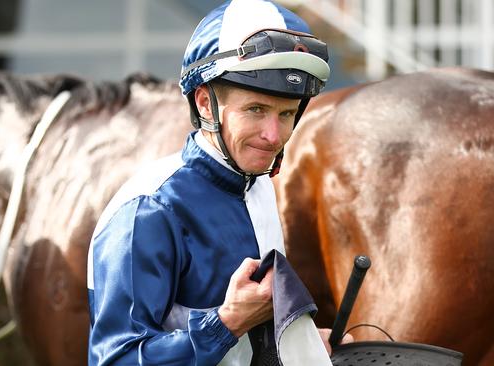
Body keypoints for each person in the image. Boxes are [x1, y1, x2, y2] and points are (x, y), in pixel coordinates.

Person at [87, 0, 350, 364]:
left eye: (286, 113)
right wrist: (226, 323)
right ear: (206, 105)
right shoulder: (148, 211)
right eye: (255, 110)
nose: (273, 136)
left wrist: (296, 343)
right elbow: (116, 359)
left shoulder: (256, 185)